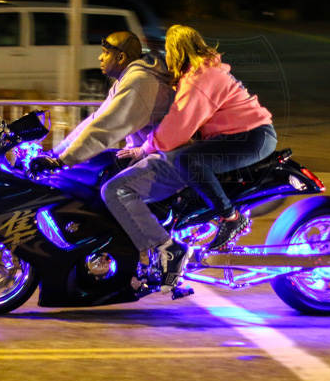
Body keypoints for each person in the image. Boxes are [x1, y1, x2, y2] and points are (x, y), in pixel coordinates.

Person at [101, 25, 276, 289]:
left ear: (177, 50)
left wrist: (144, 149)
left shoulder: (199, 79)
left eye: (168, 51)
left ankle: (231, 218)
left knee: (188, 161)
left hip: (251, 137)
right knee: (188, 161)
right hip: (238, 136)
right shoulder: (199, 74)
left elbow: (178, 127)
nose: (165, 58)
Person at [29, 31, 173, 171]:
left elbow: (106, 128)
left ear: (121, 57)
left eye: (106, 52)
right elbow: (95, 119)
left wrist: (62, 160)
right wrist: (55, 153)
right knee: (92, 169)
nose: (100, 57)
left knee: (111, 187)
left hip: (161, 158)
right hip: (142, 153)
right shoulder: (126, 79)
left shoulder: (138, 81)